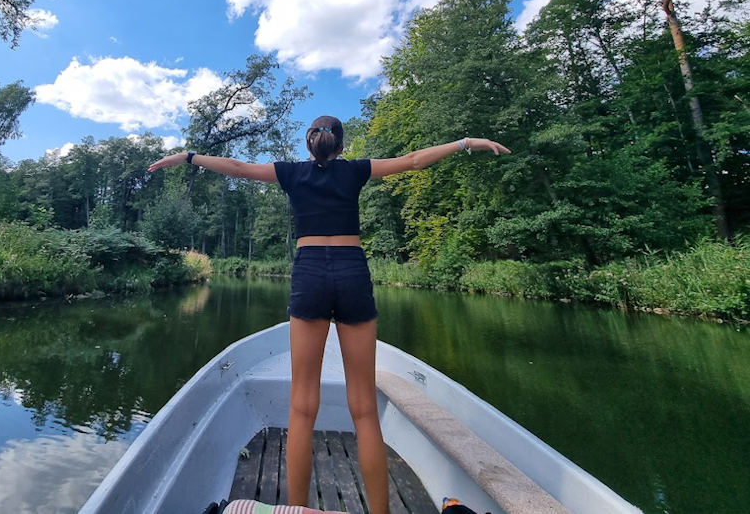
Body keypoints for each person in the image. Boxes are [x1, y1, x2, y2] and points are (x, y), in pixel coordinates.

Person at [148, 116, 511, 514]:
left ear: (310, 145)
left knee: (302, 408)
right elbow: (412, 161)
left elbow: (237, 168)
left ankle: (298, 511)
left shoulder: (291, 173)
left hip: (310, 274)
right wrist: (465, 142)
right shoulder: (356, 170)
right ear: (341, 146)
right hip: (352, 270)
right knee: (365, 410)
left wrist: (189, 156)